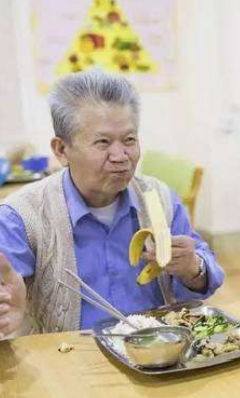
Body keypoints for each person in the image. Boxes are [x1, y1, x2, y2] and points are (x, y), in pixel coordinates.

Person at [0, 70, 224, 337]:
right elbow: (7, 285)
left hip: (155, 352)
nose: (120, 156)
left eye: (129, 140)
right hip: (70, 361)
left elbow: (206, 273)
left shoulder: (160, 197)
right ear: (61, 150)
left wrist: (192, 268)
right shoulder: (22, 216)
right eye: (102, 142)